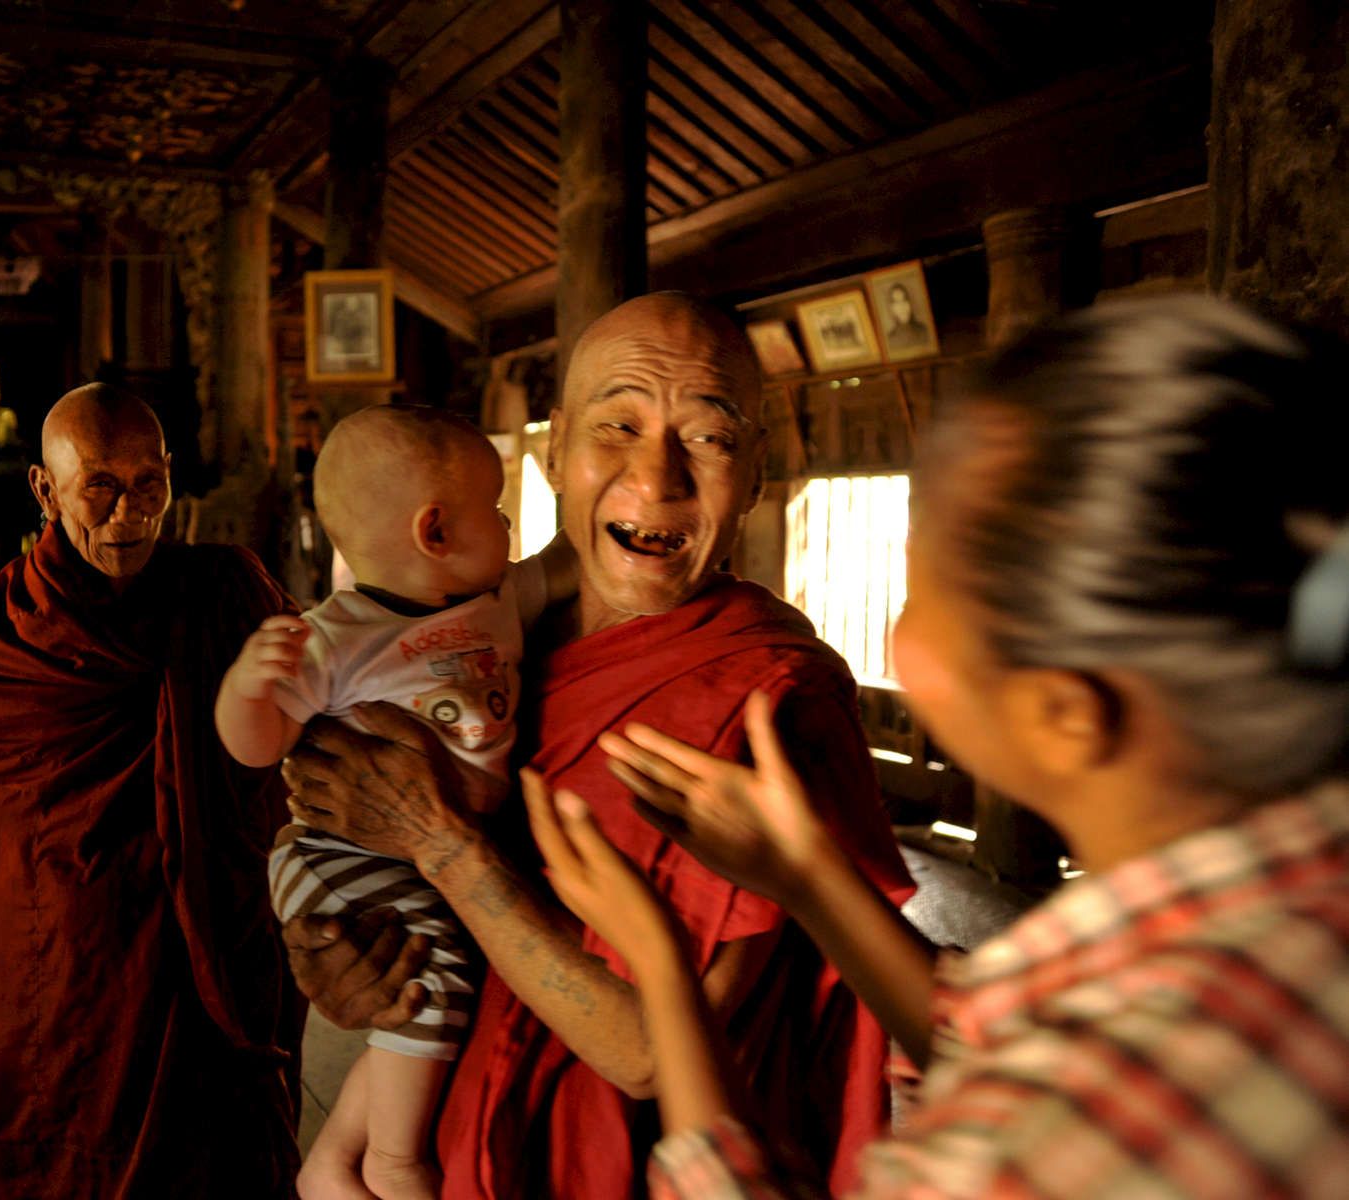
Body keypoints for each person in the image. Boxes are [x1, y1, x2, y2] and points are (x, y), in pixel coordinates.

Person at [526, 295, 1349, 1197]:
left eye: (930, 573)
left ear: (1063, 714)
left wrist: (659, 972)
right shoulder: (1282, 901)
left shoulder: (1044, 1144)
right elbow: (994, 1033)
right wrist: (806, 875)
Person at [279, 293, 915, 1199]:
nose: (656, 480)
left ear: (758, 473)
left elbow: (648, 1052)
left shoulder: (769, 694)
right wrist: (356, 964)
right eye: (618, 425)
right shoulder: (476, 644)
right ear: (553, 451)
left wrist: (443, 846)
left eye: (707, 437)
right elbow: (358, 858)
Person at [0, 384, 308, 1199]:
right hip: (79, 959)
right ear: (43, 489)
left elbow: (314, 701)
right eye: (100, 486)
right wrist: (5, 862)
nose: (130, 513)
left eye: (149, 485)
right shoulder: (0, 632)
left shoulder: (225, 590)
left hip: (220, 945)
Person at [217, 404, 577, 1200]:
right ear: (436, 532)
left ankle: (340, 1162)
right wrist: (247, 686)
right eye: (497, 509)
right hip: (339, 855)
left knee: (435, 985)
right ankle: (392, 1160)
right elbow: (257, 743)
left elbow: (569, 560)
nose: (511, 524)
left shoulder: (498, 601)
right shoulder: (337, 634)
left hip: (420, 856)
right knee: (434, 980)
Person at [881, 284, 930, 351]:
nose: (902, 307)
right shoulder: (890, 339)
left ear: (910, 303)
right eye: (897, 302)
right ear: (892, 309)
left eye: (904, 300)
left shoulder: (923, 330)